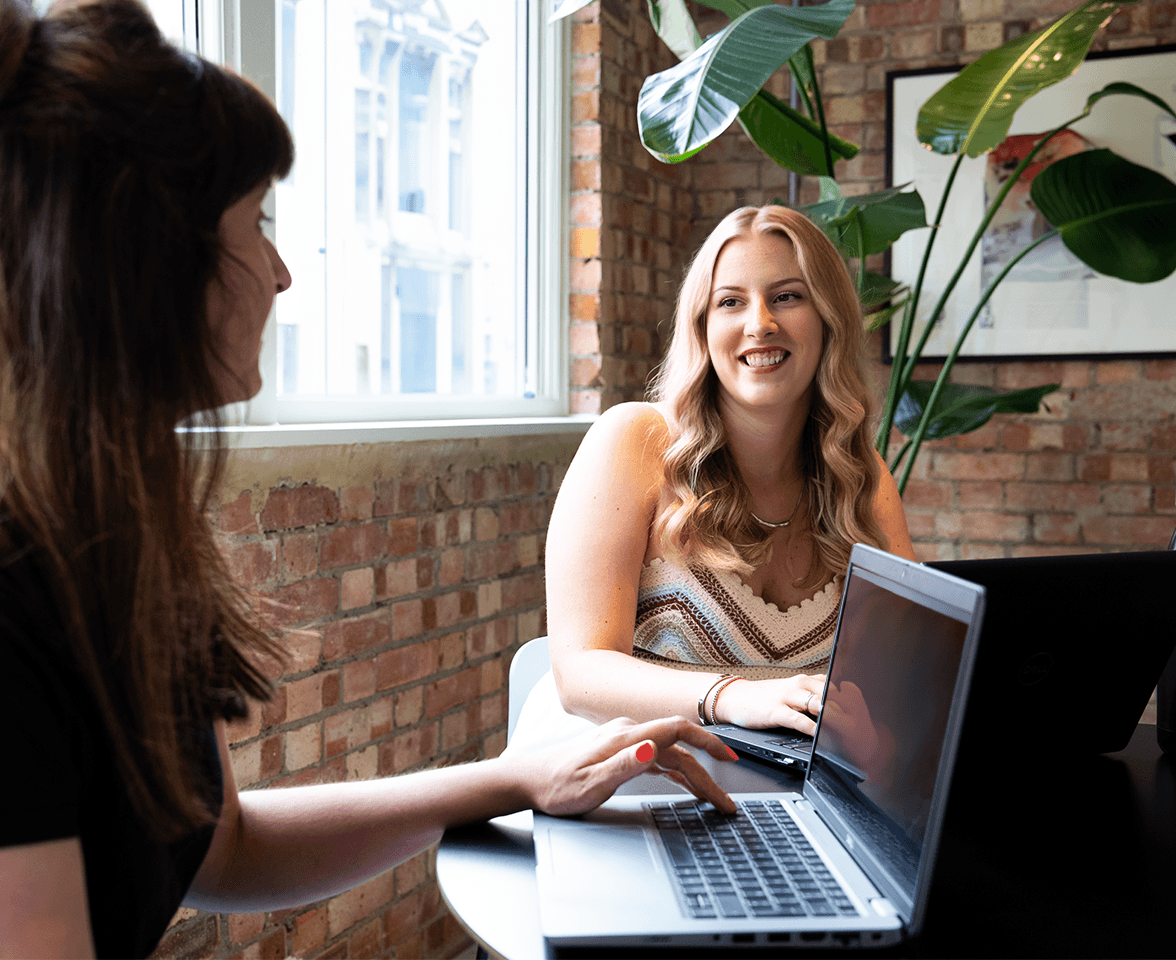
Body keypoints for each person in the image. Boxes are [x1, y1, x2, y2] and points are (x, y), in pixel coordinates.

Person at [0, 2, 738, 957]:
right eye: (254, 223)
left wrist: (520, 777)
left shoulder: (120, 535)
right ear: (149, 260)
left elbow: (224, 849)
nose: (280, 273)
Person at [513, 204, 915, 752]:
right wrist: (733, 696)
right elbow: (579, 673)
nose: (760, 324)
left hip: (787, 797)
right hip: (623, 781)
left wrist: (879, 744)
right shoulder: (633, 441)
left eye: (787, 296)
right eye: (731, 302)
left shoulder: (863, 479)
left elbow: (905, 686)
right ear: (702, 328)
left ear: (828, 320)